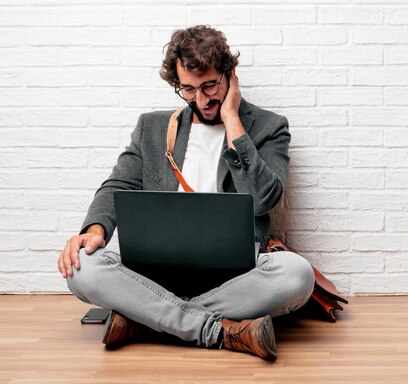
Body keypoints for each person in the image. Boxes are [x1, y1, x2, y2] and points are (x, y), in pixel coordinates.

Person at [56, 25, 315, 361]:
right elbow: (117, 186)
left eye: (210, 85)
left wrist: (233, 122)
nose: (202, 99)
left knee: (297, 274)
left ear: (229, 74)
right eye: (189, 89)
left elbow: (264, 199)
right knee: (80, 267)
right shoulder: (152, 127)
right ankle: (216, 330)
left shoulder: (269, 127)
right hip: (154, 273)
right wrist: (94, 232)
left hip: (236, 278)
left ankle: (145, 320)